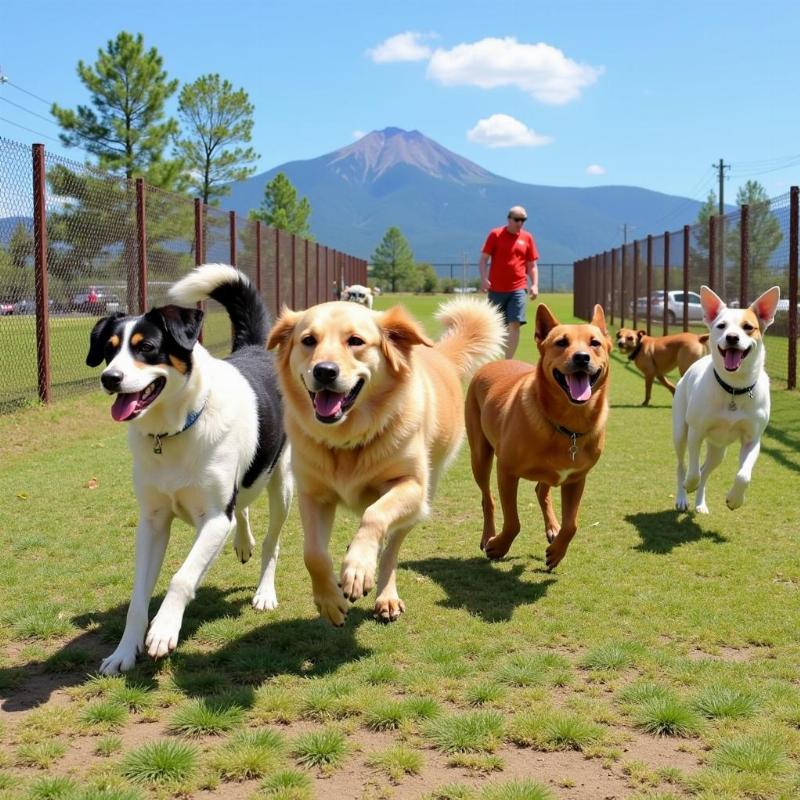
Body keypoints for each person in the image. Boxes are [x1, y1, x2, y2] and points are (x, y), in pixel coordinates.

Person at [479, 205, 539, 359]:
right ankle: (495, 358)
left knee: (515, 323)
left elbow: (532, 264)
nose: (520, 223)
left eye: (523, 220)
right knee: (498, 326)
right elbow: (484, 259)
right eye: (517, 219)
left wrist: (534, 284)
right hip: (496, 289)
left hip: (518, 287)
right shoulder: (495, 234)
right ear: (509, 219)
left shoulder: (527, 238)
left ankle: (508, 360)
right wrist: (484, 279)